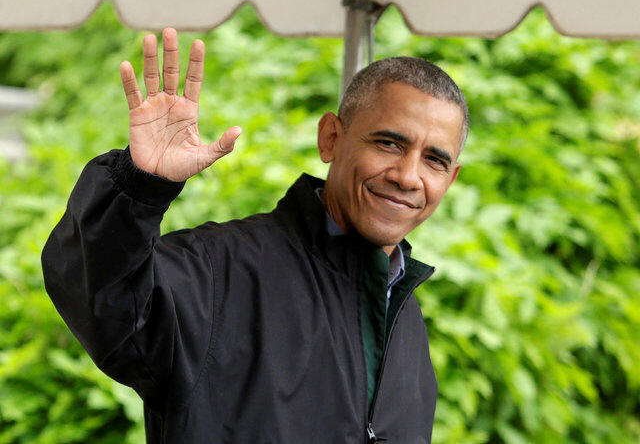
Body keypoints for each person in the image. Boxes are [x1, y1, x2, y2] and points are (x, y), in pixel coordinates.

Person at [41, 27, 468, 444]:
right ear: (330, 139)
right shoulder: (217, 271)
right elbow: (102, 300)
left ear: (450, 179)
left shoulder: (404, 312)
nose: (407, 176)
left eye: (434, 160)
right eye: (389, 144)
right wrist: (139, 186)